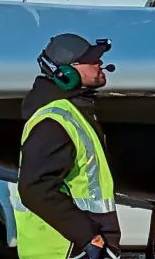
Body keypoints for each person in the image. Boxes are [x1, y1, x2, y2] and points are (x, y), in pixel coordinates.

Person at [16, 34, 120, 259]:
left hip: (77, 248)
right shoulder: (54, 121)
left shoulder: (70, 114)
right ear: (66, 72)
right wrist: (88, 237)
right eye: (91, 61)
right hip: (67, 250)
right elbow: (34, 189)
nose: (99, 64)